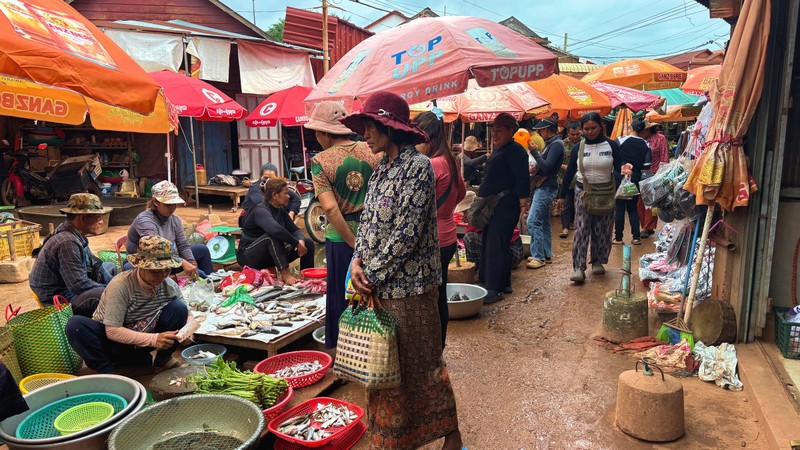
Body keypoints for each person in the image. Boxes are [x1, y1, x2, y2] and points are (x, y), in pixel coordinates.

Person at [342, 91, 462, 450]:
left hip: (411, 290)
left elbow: (407, 233)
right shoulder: (380, 171)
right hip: (379, 287)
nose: (364, 132)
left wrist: (371, 274)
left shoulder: (418, 168)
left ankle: (450, 434)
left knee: (422, 368)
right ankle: (391, 439)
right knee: (383, 370)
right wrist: (357, 261)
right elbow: (367, 223)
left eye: (370, 125)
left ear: (389, 128)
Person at [307, 101, 381, 349]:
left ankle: (346, 352)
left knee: (342, 295)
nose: (317, 138)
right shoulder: (373, 151)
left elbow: (329, 208)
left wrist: (352, 242)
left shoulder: (320, 161)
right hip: (375, 233)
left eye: (317, 132)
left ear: (325, 132)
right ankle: (374, 348)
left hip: (341, 239)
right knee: (373, 291)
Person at [66, 236, 192, 374]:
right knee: (76, 325)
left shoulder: (169, 285)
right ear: (141, 266)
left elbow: (188, 315)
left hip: (143, 340)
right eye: (156, 271)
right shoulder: (121, 285)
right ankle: (107, 370)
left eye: (167, 271)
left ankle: (162, 359)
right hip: (115, 343)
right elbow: (112, 330)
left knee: (179, 309)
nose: (162, 276)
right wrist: (153, 339)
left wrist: (188, 331)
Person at [557, 112, 632, 283]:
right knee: (582, 229)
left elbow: (620, 165)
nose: (590, 132)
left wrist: (625, 170)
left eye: (593, 128)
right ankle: (578, 267)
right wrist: (561, 196)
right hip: (582, 192)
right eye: (586, 129)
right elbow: (569, 172)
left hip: (606, 192)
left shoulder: (611, 145)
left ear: (601, 127)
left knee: (603, 229)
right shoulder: (579, 148)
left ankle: (598, 261)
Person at [413, 111, 467, 350]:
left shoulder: (431, 164)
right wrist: (445, 211)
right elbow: (462, 193)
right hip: (448, 237)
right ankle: (439, 348)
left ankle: (430, 350)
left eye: (417, 139)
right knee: (439, 295)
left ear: (428, 137)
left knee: (427, 300)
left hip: (431, 240)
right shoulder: (450, 161)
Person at [30, 193, 117, 317]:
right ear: (82, 217)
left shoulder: (72, 232)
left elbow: (93, 264)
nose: (101, 222)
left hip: (68, 285)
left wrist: (117, 283)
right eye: (97, 218)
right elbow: (79, 285)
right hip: (58, 297)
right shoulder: (67, 242)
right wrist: (114, 289)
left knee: (109, 267)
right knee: (105, 294)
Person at [477, 113, 530, 303]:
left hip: (505, 205)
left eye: (500, 130)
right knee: (495, 242)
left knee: (496, 244)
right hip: (495, 205)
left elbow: (523, 178)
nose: (495, 134)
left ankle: (494, 288)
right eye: (493, 130)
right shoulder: (501, 149)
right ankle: (503, 282)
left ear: (511, 130)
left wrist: (523, 203)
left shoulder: (516, 151)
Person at [236, 177, 315, 284]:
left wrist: (300, 241)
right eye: (285, 194)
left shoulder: (280, 210)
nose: (288, 197)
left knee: (308, 243)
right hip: (248, 255)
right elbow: (275, 230)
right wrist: (296, 243)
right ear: (274, 195)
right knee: (273, 236)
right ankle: (285, 275)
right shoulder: (260, 210)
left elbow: (294, 230)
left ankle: (306, 277)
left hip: (270, 253)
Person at [126, 181, 212, 278]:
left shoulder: (175, 220)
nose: (172, 208)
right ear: (155, 202)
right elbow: (155, 248)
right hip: (147, 262)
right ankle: (173, 279)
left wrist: (192, 263)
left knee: (202, 250)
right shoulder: (145, 220)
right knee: (129, 268)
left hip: (169, 260)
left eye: (174, 204)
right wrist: (183, 263)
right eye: (167, 204)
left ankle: (209, 284)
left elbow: (182, 245)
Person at [526, 114, 565, 269]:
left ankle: (538, 256)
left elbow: (547, 166)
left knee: (533, 221)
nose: (540, 134)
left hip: (546, 187)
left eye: (541, 130)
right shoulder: (553, 143)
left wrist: (534, 152)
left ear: (547, 130)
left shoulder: (556, 144)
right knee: (543, 221)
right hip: (545, 186)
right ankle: (546, 254)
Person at [613, 118, 652, 245]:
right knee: (632, 208)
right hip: (635, 178)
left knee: (619, 208)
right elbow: (647, 165)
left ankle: (618, 238)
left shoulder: (619, 140)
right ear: (642, 130)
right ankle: (636, 237)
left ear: (631, 127)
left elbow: (612, 158)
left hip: (620, 176)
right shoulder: (645, 144)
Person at [240, 162, 302, 227]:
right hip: (250, 220)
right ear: (260, 177)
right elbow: (261, 204)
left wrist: (292, 213)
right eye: (266, 178)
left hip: (268, 217)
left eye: (272, 178)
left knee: (285, 199)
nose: (268, 180)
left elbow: (296, 198)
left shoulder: (277, 187)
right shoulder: (255, 188)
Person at [639, 121, 670, 237]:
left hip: (654, 174)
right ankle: (645, 225)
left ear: (648, 129)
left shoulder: (660, 139)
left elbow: (665, 156)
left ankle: (649, 227)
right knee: (640, 203)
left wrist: (662, 174)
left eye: (643, 130)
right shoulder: (640, 140)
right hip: (641, 174)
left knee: (651, 203)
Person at [559, 122, 582, 239]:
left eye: (577, 134)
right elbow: (556, 161)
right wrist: (564, 167)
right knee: (567, 203)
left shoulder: (585, 144)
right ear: (568, 133)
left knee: (579, 204)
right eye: (572, 134)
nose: (575, 137)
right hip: (566, 180)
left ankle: (575, 224)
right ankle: (565, 227)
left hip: (581, 181)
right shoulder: (562, 145)